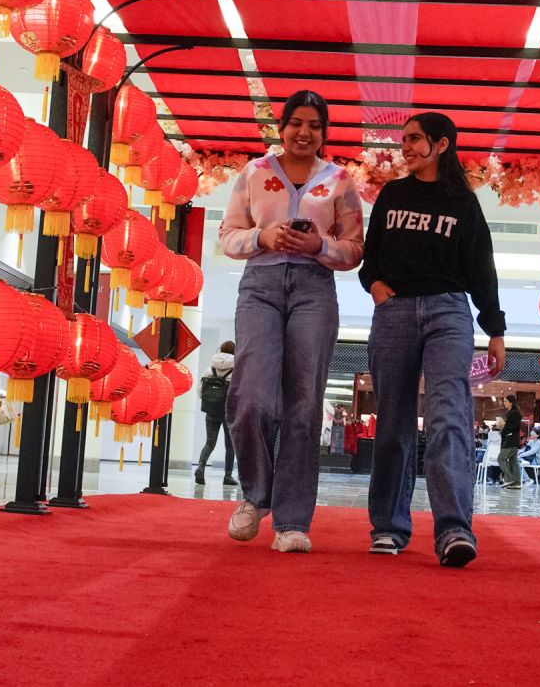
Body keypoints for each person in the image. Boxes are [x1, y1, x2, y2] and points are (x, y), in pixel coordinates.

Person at [217, 89, 365, 553]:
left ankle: (293, 520)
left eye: (315, 126)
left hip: (314, 290)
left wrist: (319, 246)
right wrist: (262, 237)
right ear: (281, 128)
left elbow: (355, 249)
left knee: (304, 404)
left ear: (324, 133)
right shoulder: (255, 172)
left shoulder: (339, 179)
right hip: (259, 287)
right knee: (251, 398)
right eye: (297, 123)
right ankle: (255, 495)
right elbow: (228, 235)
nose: (305, 132)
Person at [360, 112, 504, 567]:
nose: (405, 147)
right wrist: (375, 286)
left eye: (414, 139)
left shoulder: (463, 202)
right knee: (393, 422)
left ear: (441, 145)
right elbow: (371, 256)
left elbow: (482, 268)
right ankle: (388, 526)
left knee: (448, 417)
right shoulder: (393, 194)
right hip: (395, 312)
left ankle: (454, 529)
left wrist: (495, 329)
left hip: (449, 312)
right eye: (403, 139)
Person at [196, 340, 236, 487]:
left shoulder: (210, 369)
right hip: (229, 412)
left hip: (211, 410)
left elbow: (200, 391)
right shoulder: (237, 369)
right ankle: (228, 476)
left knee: (209, 443)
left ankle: (200, 466)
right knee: (230, 446)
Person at [500, 399, 524, 489]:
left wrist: (504, 425)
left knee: (501, 458)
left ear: (511, 402)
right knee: (513, 461)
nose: (504, 403)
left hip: (511, 440)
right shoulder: (511, 412)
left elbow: (515, 427)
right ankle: (516, 483)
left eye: (506, 401)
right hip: (510, 439)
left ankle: (509, 479)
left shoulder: (514, 413)